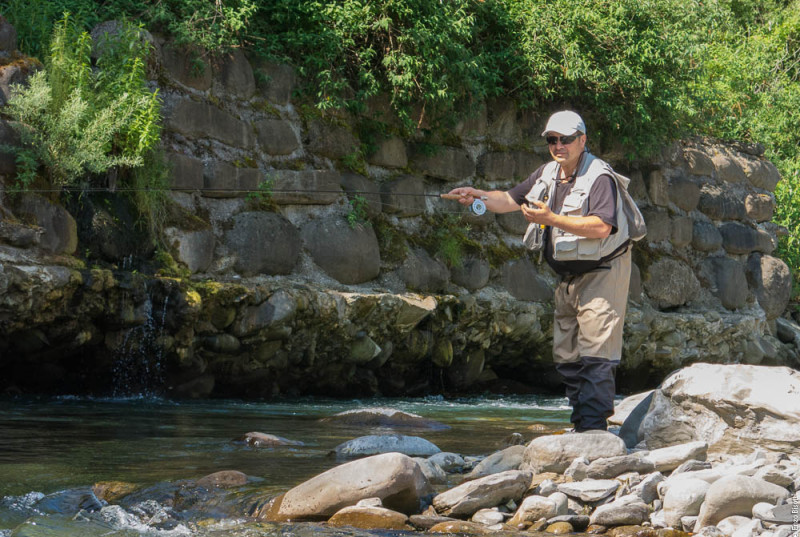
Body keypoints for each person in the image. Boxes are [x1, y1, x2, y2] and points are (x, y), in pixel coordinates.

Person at [447, 110, 632, 432]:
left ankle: (594, 432)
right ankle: (582, 426)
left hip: (604, 272)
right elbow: (508, 199)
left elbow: (602, 227)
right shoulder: (547, 173)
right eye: (552, 140)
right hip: (568, 279)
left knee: (596, 356)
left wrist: (552, 219)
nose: (559, 145)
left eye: (566, 139)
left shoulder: (600, 177)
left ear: (583, 140)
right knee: (567, 356)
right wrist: (477, 195)